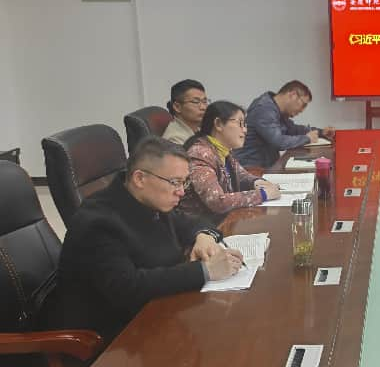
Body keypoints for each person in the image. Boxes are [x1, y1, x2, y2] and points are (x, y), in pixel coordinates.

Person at [40, 137, 244, 341]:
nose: (181, 192)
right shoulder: (99, 223)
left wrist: (204, 237)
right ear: (139, 179)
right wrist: (205, 270)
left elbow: (192, 222)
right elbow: (128, 288)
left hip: (156, 312)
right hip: (113, 336)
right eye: (175, 182)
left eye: (185, 182)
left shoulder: (148, 200)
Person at [180, 101, 281, 221]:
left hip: (222, 220)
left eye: (245, 124)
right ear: (218, 124)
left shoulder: (222, 150)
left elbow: (242, 176)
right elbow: (217, 201)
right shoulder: (200, 153)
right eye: (240, 123)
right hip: (200, 227)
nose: (245, 130)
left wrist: (257, 182)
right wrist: (263, 194)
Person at [235, 80, 335, 167]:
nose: (302, 110)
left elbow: (293, 129)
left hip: (267, 165)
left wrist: (321, 132)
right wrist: (307, 138)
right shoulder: (264, 109)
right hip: (252, 169)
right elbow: (279, 141)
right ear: (292, 95)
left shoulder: (275, 107)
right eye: (303, 104)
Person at [162, 79, 208, 145]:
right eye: (195, 102)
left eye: (204, 102)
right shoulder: (175, 139)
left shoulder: (198, 129)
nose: (203, 107)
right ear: (177, 107)